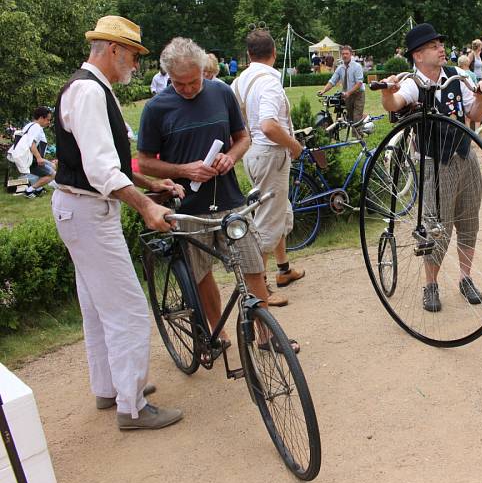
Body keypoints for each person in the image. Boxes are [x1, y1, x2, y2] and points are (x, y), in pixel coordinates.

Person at [52, 15, 183, 429]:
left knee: (96, 306)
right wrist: (146, 205)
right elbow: (103, 172)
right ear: (113, 50)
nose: (135, 65)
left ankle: (111, 389)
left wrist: (150, 180)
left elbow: (111, 161)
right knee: (127, 308)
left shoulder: (90, 88)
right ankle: (132, 407)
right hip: (88, 211)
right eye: (132, 56)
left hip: (79, 209)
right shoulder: (90, 92)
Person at [136, 37, 299, 352]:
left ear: (202, 70)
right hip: (188, 206)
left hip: (228, 200)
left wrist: (231, 157)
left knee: (252, 266)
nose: (187, 88)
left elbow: (243, 138)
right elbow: (143, 162)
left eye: (193, 81)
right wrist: (185, 170)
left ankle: (266, 337)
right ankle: (218, 334)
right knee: (201, 274)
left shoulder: (221, 92)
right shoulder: (157, 108)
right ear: (168, 76)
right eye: (179, 83)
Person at [377, 23, 482, 312]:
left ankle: (466, 278)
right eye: (433, 46)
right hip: (435, 162)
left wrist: (481, 97)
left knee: (469, 221)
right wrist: (386, 92)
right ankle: (430, 284)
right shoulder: (412, 83)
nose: (441, 48)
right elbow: (394, 103)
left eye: (440, 44)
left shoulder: (456, 77)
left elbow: (474, 115)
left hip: (465, 155)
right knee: (435, 227)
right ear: (417, 56)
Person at [232, 28, 306, 308]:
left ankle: (284, 268)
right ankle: (260, 287)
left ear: (249, 55)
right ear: (274, 53)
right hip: (270, 154)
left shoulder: (239, 83)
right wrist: (294, 145)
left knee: (278, 211)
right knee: (267, 221)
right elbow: (269, 125)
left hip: (252, 154)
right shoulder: (270, 83)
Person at [9, 106, 56, 197]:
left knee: (52, 165)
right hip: (32, 159)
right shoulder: (36, 127)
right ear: (41, 118)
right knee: (52, 174)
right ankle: (29, 191)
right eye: (48, 120)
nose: (49, 122)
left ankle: (38, 188)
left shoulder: (29, 125)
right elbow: (32, 144)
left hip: (30, 157)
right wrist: (39, 158)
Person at [318, 45, 365, 125]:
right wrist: (323, 91)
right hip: (347, 96)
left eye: (347, 53)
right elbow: (332, 81)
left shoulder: (357, 67)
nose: (344, 56)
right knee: (350, 119)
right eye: (343, 54)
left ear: (351, 54)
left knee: (356, 119)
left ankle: (358, 136)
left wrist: (348, 93)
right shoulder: (340, 68)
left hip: (358, 95)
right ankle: (356, 133)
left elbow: (359, 83)